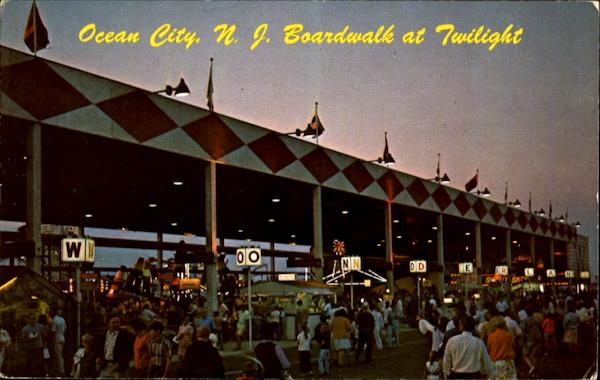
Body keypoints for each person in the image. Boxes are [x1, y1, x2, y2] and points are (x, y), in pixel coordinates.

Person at [95, 314, 134, 378]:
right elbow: (99, 348)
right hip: (104, 366)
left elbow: (128, 351)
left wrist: (120, 363)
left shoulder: (126, 335)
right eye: (114, 323)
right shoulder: (103, 334)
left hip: (118, 367)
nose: (116, 324)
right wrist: (98, 357)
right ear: (108, 323)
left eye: (118, 322)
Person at [519, 305, 542, 376]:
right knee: (532, 355)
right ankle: (534, 371)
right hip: (536, 340)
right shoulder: (536, 320)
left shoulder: (525, 320)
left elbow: (522, 331)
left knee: (524, 355)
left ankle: (532, 367)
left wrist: (521, 342)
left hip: (528, 340)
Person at [21, 313, 45, 377]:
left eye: (35, 318)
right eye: (32, 318)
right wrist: (28, 339)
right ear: (28, 320)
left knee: (40, 362)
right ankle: (29, 375)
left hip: (39, 346)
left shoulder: (40, 326)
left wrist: (45, 345)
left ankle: (41, 375)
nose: (33, 320)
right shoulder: (25, 328)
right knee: (29, 362)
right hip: (30, 347)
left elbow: (44, 336)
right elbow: (22, 338)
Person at [50, 307, 67, 377]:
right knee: (60, 354)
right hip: (62, 337)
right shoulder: (62, 319)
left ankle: (61, 370)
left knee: (59, 355)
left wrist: (53, 341)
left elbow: (53, 331)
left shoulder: (54, 320)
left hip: (57, 338)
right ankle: (59, 369)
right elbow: (65, 328)